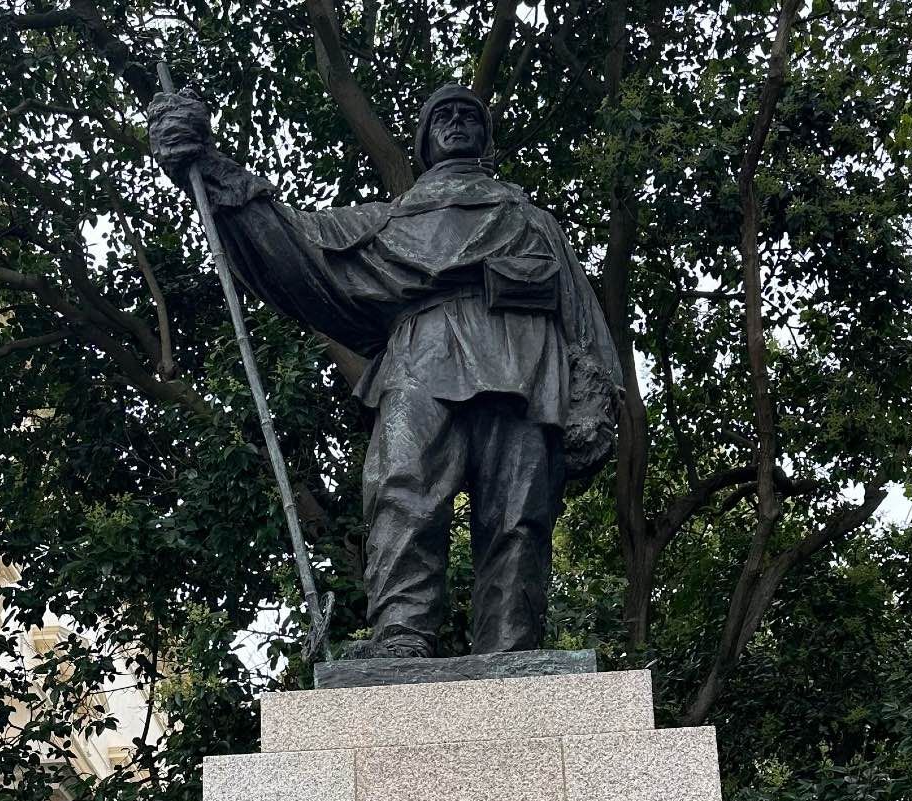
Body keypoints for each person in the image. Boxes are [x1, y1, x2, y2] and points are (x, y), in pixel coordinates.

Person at [148, 81, 622, 659]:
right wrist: (208, 167)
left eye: (468, 115)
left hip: (525, 366)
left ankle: (511, 645)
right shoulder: (388, 223)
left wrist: (594, 400)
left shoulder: (532, 221)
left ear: (486, 137)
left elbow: (581, 316)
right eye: (441, 116)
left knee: (520, 511)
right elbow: (297, 242)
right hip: (421, 359)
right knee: (403, 490)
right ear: (423, 141)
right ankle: (400, 632)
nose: (455, 122)